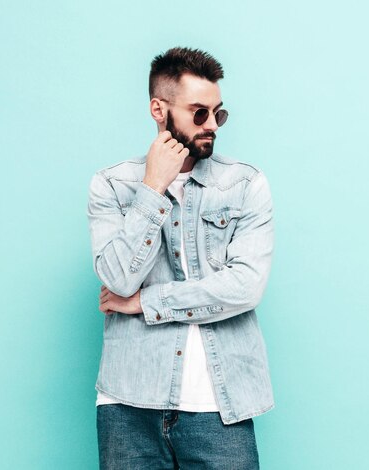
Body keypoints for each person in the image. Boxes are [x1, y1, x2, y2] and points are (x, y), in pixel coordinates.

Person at [87, 46, 274, 469]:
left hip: (219, 408)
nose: (212, 125)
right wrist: (152, 189)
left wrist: (145, 303)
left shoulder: (245, 184)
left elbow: (245, 286)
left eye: (218, 114)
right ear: (159, 109)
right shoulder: (112, 186)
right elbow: (117, 279)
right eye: (199, 113)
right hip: (127, 404)